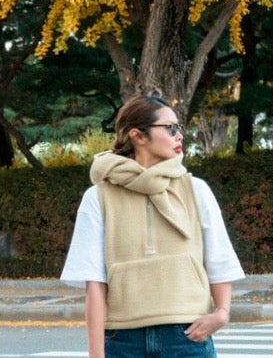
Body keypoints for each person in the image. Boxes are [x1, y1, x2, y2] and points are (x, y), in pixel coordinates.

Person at [61, 95, 245, 358]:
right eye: (170, 128)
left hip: (186, 336)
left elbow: (219, 258)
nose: (179, 135)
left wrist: (222, 314)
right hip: (122, 340)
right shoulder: (98, 196)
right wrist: (96, 355)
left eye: (178, 127)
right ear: (138, 136)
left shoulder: (196, 189)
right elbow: (95, 281)